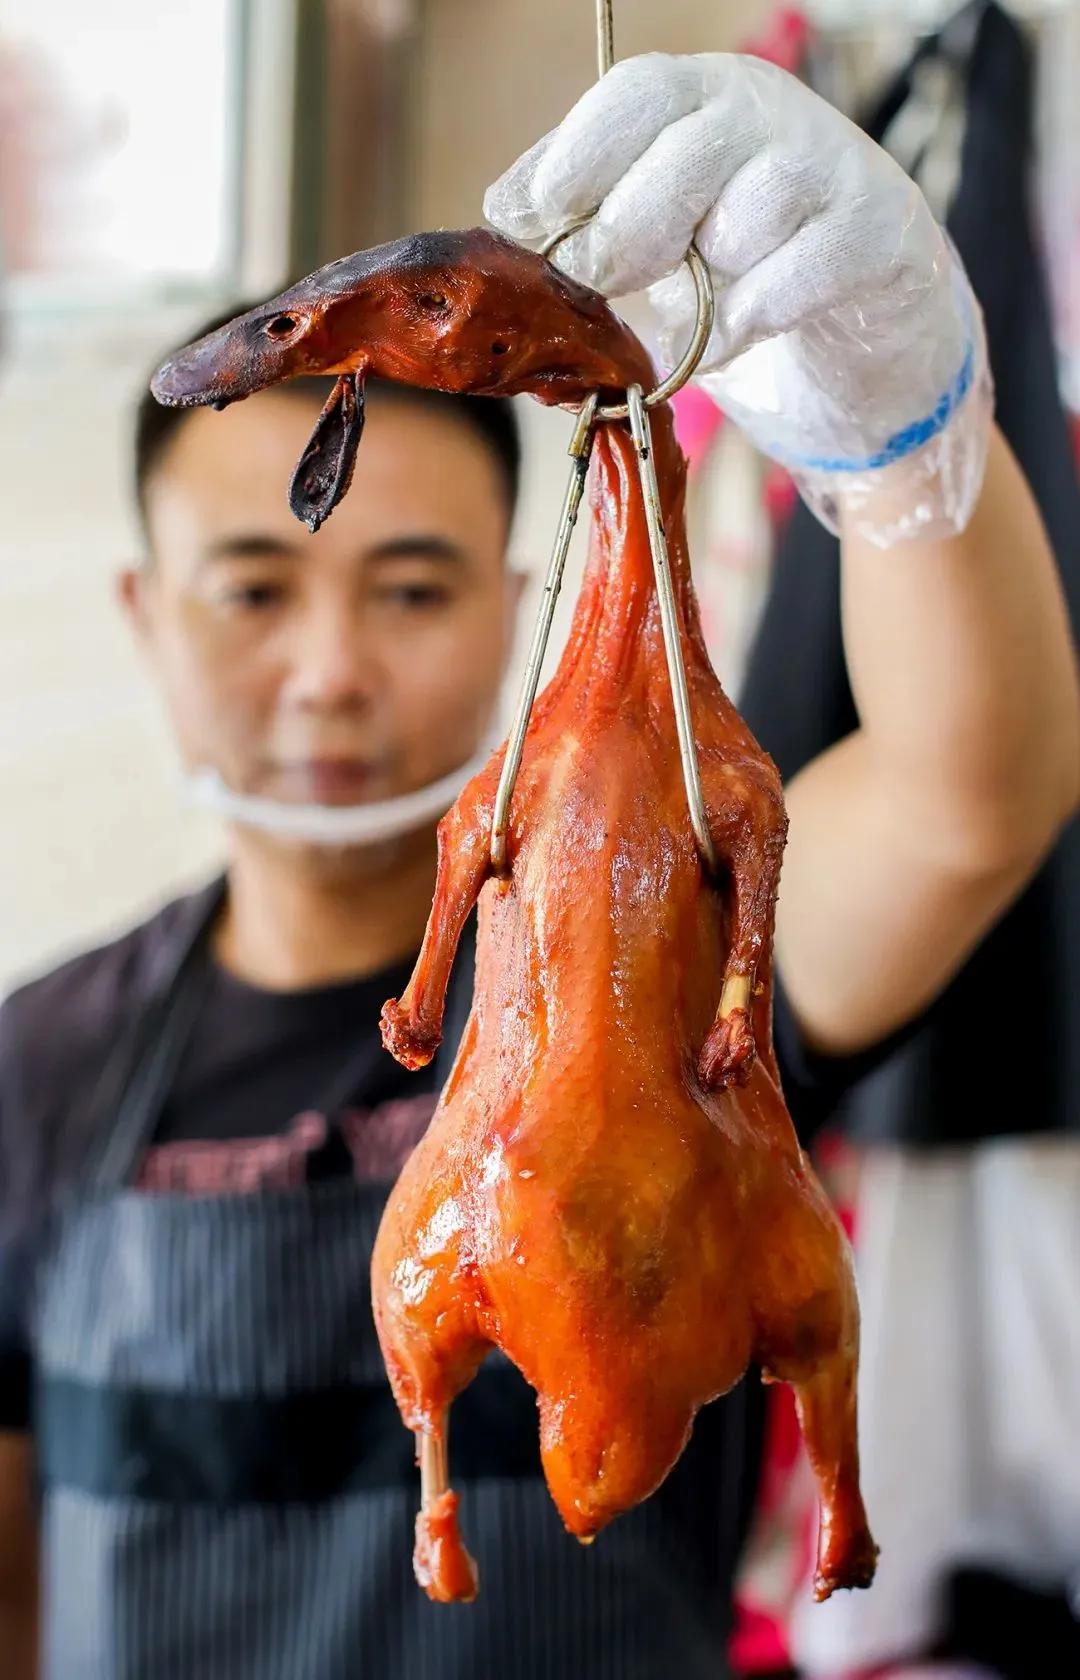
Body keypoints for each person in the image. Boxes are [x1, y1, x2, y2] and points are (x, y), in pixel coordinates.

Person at [1, 52, 1077, 1680]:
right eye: (254, 593)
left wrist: (907, 443)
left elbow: (972, 794)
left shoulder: (691, 971)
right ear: (151, 617)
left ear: (517, 603)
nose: (333, 671)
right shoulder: (34, 1072)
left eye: (413, 588)